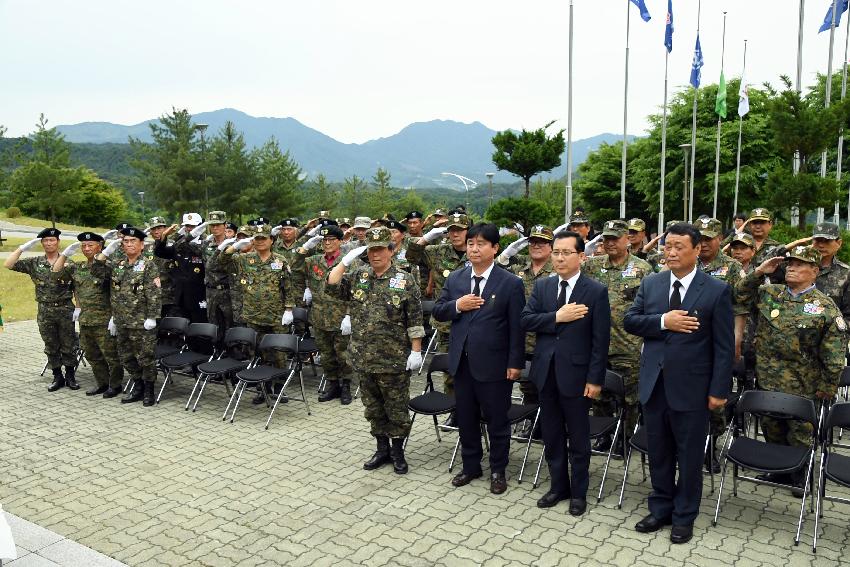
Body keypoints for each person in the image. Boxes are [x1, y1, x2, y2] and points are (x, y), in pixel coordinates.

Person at [623, 223, 734, 544]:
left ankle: (685, 516)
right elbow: (631, 320)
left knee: (688, 456)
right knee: (658, 451)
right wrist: (663, 321)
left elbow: (724, 348)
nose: (670, 252)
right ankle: (661, 508)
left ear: (697, 250)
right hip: (654, 384)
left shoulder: (715, 290)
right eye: (667, 246)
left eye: (678, 247)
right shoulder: (652, 283)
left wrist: (718, 390)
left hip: (693, 388)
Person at [735, 246, 845, 493]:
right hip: (767, 378)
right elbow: (739, 295)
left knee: (799, 432)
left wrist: (827, 387)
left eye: (800, 264)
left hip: (803, 384)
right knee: (771, 427)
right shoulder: (769, 293)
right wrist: (759, 272)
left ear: (814, 271)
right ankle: (779, 471)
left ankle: (801, 475)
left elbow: (834, 354)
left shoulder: (825, 307)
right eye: (790, 263)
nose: (792, 267)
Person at [521, 230, 610, 516]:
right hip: (546, 372)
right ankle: (558, 486)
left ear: (581, 256)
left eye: (566, 253)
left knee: (579, 437)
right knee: (552, 434)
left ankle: (579, 492)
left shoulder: (595, 291)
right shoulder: (544, 287)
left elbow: (600, 340)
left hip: (577, 376)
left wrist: (595, 379)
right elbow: (526, 319)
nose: (559, 258)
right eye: (556, 252)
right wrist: (555, 317)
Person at [432, 223, 526, 495]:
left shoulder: (510, 283)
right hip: (462, 363)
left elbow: (516, 328)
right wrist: (457, 306)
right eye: (471, 243)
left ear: (495, 248)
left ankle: (498, 469)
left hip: (495, 366)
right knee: (467, 418)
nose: (474, 248)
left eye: (481, 244)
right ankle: (471, 465)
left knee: (497, 421)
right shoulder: (457, 278)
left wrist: (514, 363)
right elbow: (439, 311)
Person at [326, 227, 425, 473]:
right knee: (373, 407)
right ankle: (382, 449)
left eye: (381, 248)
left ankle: (398, 452)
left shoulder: (405, 279)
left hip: (393, 358)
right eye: (371, 249)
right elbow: (331, 284)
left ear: (391, 251)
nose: (375, 254)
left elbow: (414, 318)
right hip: (363, 356)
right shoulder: (359, 275)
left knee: (397, 408)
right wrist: (346, 261)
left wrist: (416, 351)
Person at [582, 220, 653, 443]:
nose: (610, 243)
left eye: (615, 238)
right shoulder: (592, 266)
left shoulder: (643, 269)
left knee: (630, 398)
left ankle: (625, 438)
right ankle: (604, 436)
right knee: (599, 393)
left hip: (628, 345)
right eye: (606, 238)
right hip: (597, 343)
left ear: (627, 240)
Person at [694, 217, 748, 473]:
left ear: (720, 239)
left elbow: (740, 308)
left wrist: (736, 341)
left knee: (716, 400)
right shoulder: (685, 263)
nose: (703, 244)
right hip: (688, 343)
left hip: (718, 343)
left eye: (708, 238)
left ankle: (710, 447)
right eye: (699, 238)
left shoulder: (733, 268)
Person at [94, 227, 162, 406]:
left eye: (133, 241)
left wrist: (152, 317)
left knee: (145, 358)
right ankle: (137, 386)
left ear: (141, 245)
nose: (129, 244)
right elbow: (96, 270)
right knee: (126, 357)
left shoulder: (148, 265)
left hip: (142, 322)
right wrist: (106, 251)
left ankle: (149, 391)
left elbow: (154, 293)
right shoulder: (118, 264)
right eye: (126, 241)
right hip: (121, 321)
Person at [406, 213, 470, 401]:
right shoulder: (438, 251)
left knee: (473, 367)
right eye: (451, 230)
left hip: (473, 320)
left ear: (468, 231)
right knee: (450, 368)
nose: (455, 234)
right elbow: (411, 256)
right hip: (447, 322)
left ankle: (472, 407)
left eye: (460, 230)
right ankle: (453, 406)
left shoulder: (477, 251)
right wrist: (426, 238)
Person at [52, 232, 124, 398]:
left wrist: (115, 316)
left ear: (99, 246)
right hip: (85, 320)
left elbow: (118, 292)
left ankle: (115, 385)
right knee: (92, 355)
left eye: (90, 245)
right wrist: (64, 255)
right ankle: (102, 383)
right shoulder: (78, 267)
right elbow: (55, 274)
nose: (86, 248)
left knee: (111, 356)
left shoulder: (110, 267)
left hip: (104, 320)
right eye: (83, 246)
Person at [4, 228, 77, 391]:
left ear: (58, 242)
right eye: (45, 240)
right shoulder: (34, 263)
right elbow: (8, 264)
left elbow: (76, 288)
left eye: (52, 240)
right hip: (45, 310)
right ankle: (57, 377)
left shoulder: (69, 263)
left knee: (69, 344)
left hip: (65, 309)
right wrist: (22, 248)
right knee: (50, 345)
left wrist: (78, 307)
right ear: (42, 243)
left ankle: (71, 376)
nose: (49, 243)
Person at [497, 225, 555, 420]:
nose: (536, 245)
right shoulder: (519, 267)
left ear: (551, 245)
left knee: (547, 386)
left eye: (542, 242)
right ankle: (531, 421)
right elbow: (499, 263)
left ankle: (546, 422)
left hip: (547, 338)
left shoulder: (558, 268)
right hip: (522, 339)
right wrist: (512, 248)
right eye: (533, 241)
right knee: (527, 385)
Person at [292, 225, 354, 404]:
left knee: (343, 355)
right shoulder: (314, 261)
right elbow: (295, 266)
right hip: (319, 316)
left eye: (331, 240)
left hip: (341, 316)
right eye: (324, 240)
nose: (327, 243)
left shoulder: (348, 261)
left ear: (340, 241)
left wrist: (349, 315)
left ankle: (346, 386)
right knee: (326, 355)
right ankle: (332, 384)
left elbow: (355, 290)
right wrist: (305, 247)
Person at [155, 213, 208, 322]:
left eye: (193, 226)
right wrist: (163, 237)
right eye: (187, 226)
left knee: (199, 329)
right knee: (182, 329)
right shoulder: (180, 241)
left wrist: (188, 238)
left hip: (200, 295)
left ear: (200, 226)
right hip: (181, 295)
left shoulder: (206, 242)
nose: (189, 229)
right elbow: (160, 252)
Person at [809, 222, 850, 329]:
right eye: (817, 240)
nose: (821, 245)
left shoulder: (846, 273)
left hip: (829, 336)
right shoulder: (795, 267)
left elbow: (848, 316)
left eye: (827, 241)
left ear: (839, 243)